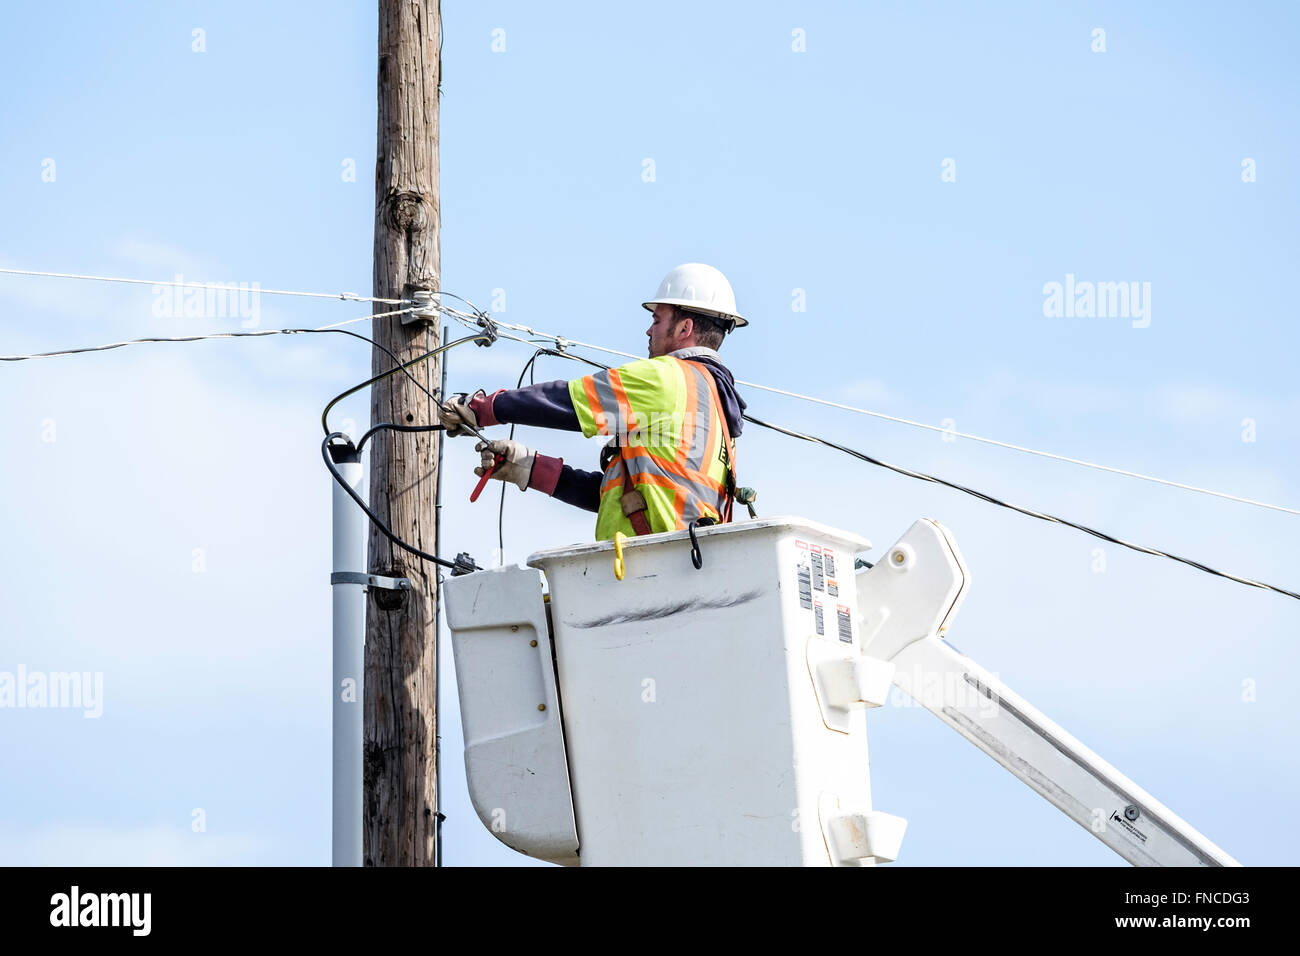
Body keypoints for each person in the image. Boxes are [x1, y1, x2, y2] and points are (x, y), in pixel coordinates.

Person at [439, 263, 748, 541]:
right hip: (680, 568)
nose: (648, 330)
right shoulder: (718, 410)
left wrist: (483, 408)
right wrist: (528, 467)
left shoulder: (668, 377)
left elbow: (570, 402)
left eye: (656, 319)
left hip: (653, 568)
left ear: (684, 328)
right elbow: (625, 498)